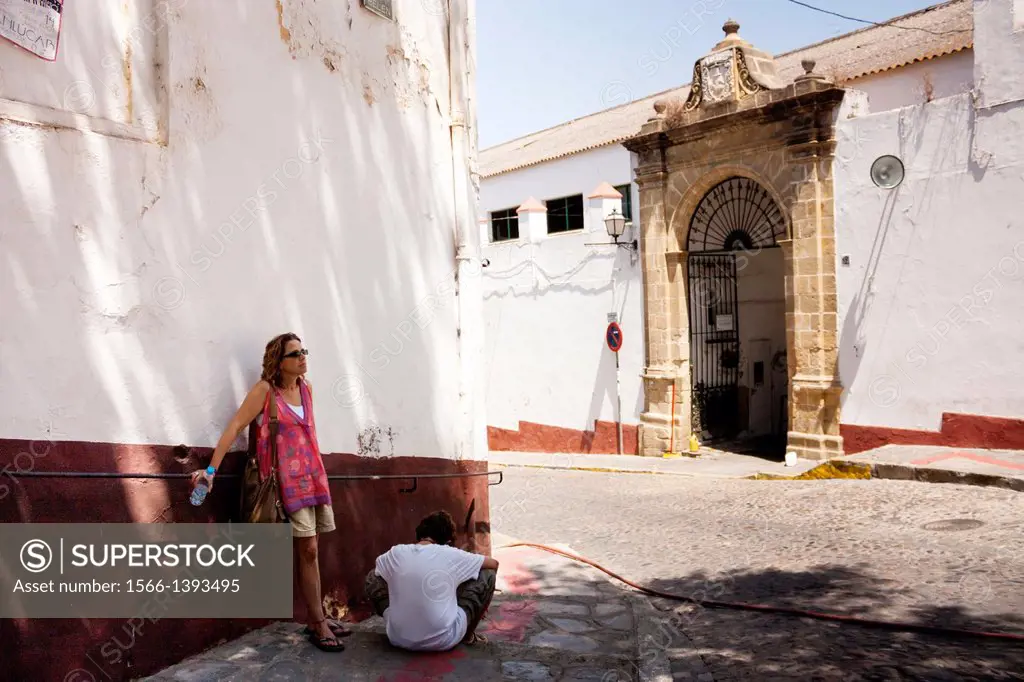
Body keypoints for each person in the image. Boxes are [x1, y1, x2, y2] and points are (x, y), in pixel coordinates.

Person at [190, 332, 349, 653]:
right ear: (278, 362)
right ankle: (317, 622)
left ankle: (316, 616)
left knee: (312, 549)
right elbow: (235, 427)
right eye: (295, 354)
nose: (303, 357)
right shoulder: (265, 392)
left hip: (313, 479)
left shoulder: (307, 390)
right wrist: (210, 471)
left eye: (304, 351)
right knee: (309, 551)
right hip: (283, 486)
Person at [365, 510, 498, 652]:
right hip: (444, 640)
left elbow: (377, 569)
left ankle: (400, 621)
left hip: (397, 638)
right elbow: (493, 564)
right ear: (448, 541)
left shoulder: (396, 552)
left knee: (373, 576)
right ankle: (468, 636)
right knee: (487, 574)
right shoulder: (452, 554)